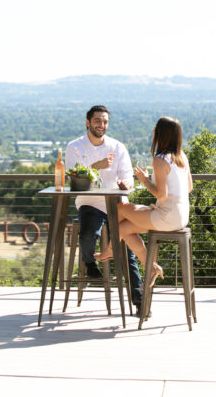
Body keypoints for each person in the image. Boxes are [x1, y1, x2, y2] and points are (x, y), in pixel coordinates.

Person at [65, 105, 145, 315]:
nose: (102, 125)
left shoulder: (118, 147)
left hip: (117, 205)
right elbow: (73, 178)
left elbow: (127, 174)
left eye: (105, 121)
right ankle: (90, 262)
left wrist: (126, 183)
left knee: (128, 251)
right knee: (89, 232)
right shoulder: (74, 147)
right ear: (88, 122)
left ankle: (139, 302)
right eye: (98, 121)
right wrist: (96, 166)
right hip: (90, 202)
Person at [95, 116, 192, 288]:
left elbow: (162, 196)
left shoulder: (160, 160)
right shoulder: (181, 156)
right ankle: (152, 269)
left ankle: (110, 249)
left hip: (166, 217)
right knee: (124, 229)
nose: (153, 131)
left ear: (161, 134)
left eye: (156, 129)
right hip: (181, 216)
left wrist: (145, 180)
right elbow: (189, 187)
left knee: (120, 208)